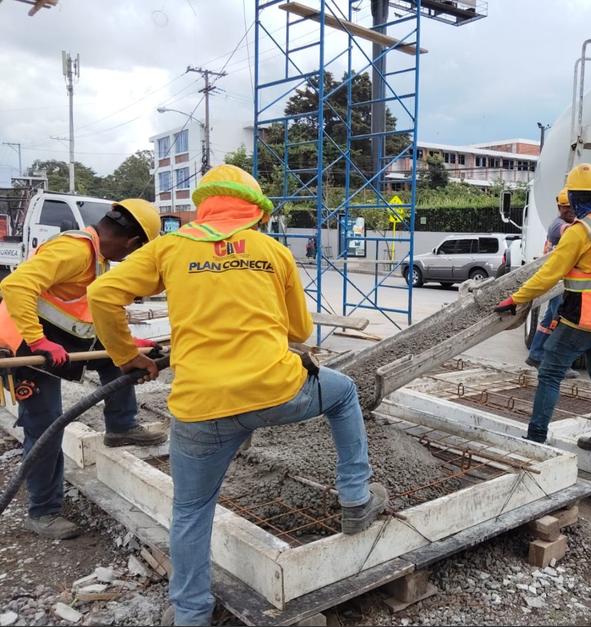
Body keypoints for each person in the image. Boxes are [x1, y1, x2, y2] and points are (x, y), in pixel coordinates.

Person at [86, 164, 386, 626]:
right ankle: (355, 498)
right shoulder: (272, 250)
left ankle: (190, 615)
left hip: (202, 407)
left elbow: (104, 295)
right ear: (255, 210)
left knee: (190, 510)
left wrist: (127, 358)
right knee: (344, 393)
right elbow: (300, 331)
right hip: (277, 391)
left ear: (203, 206)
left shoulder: (170, 247)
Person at [0, 199, 166, 540]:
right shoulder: (75, 250)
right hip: (23, 344)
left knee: (116, 357)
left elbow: (87, 315)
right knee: (46, 425)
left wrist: (131, 345)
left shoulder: (98, 259)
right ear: (133, 243)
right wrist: (38, 341)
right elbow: (15, 286)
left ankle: (121, 426)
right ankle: (43, 512)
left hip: (53, 338)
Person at [494, 164, 591, 454]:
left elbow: (548, 275)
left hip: (582, 319)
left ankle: (536, 440)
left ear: (578, 197)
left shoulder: (580, 232)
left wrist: (515, 299)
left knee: (550, 372)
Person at [526, 188, 577, 379]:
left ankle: (537, 354)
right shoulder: (558, 225)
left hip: (560, 282)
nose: (569, 211)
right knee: (561, 322)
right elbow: (571, 233)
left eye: (571, 207)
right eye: (565, 208)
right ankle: (554, 362)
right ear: (559, 208)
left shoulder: (567, 222)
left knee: (550, 320)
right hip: (558, 281)